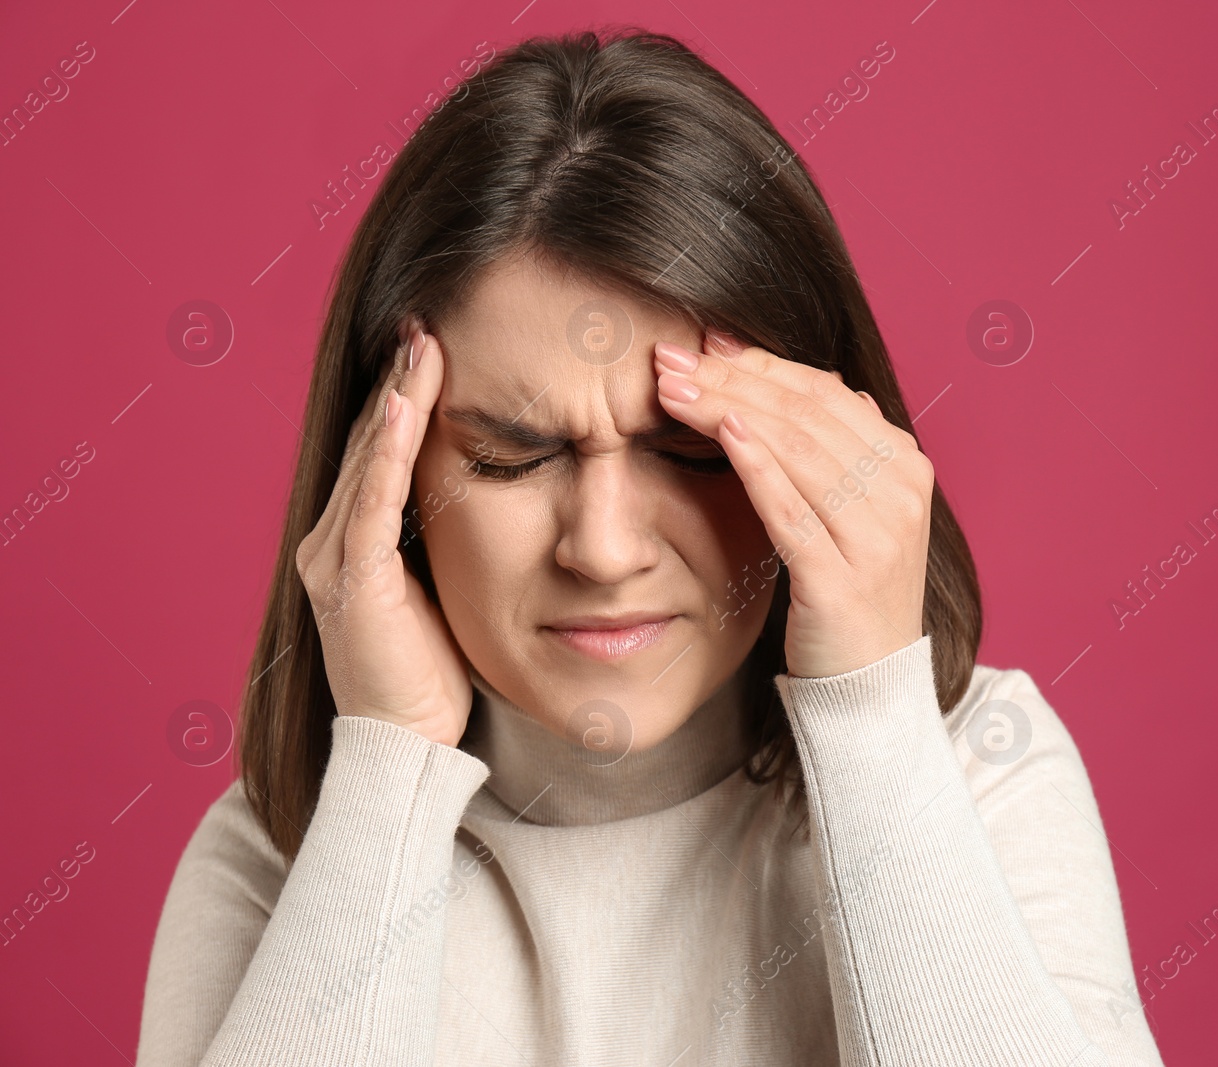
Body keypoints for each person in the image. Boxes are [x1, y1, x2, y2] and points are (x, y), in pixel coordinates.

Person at [134, 27, 1165, 1067]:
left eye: (688, 449)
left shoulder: (981, 770)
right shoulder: (284, 851)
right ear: (385, 486)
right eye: (509, 457)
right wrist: (387, 765)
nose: (605, 547)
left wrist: (869, 707)